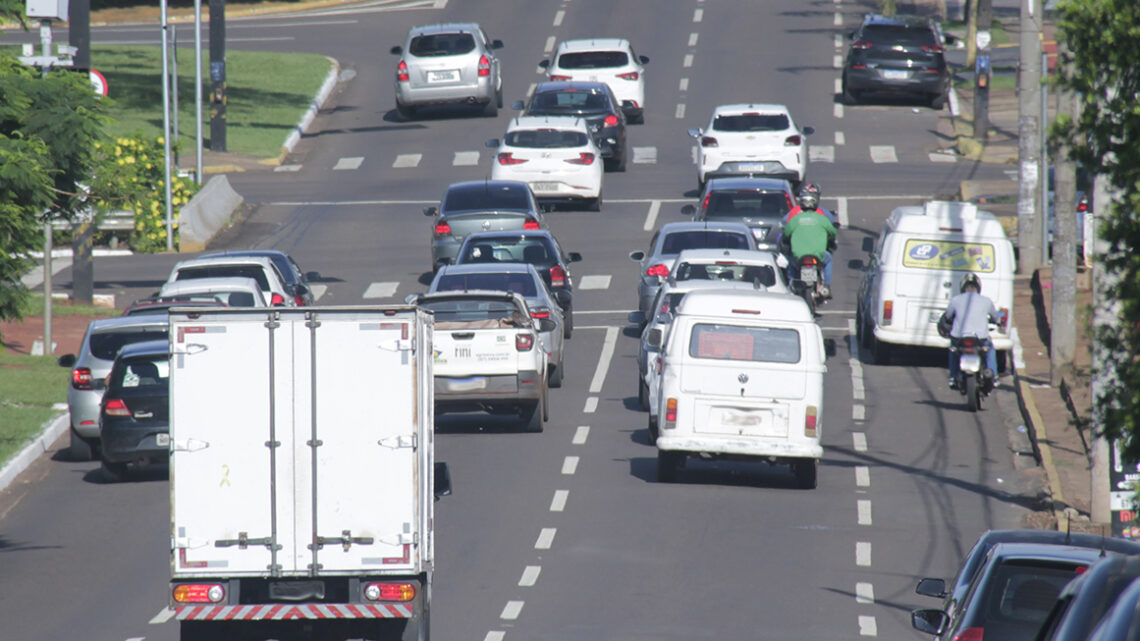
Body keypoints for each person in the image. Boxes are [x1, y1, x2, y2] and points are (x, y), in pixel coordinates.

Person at [938, 273, 1000, 389]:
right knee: (990, 349)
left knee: (953, 351)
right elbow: (996, 318)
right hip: (980, 338)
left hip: (959, 337)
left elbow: (947, 316)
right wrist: (998, 320)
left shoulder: (955, 300)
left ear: (963, 287)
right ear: (978, 288)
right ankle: (995, 376)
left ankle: (953, 377)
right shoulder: (986, 301)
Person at [781, 202, 838, 296]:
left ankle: (792, 284)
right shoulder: (822, 219)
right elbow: (832, 232)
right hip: (818, 256)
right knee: (828, 260)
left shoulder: (795, 219)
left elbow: (786, 234)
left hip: (798, 257)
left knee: (790, 263)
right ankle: (827, 286)